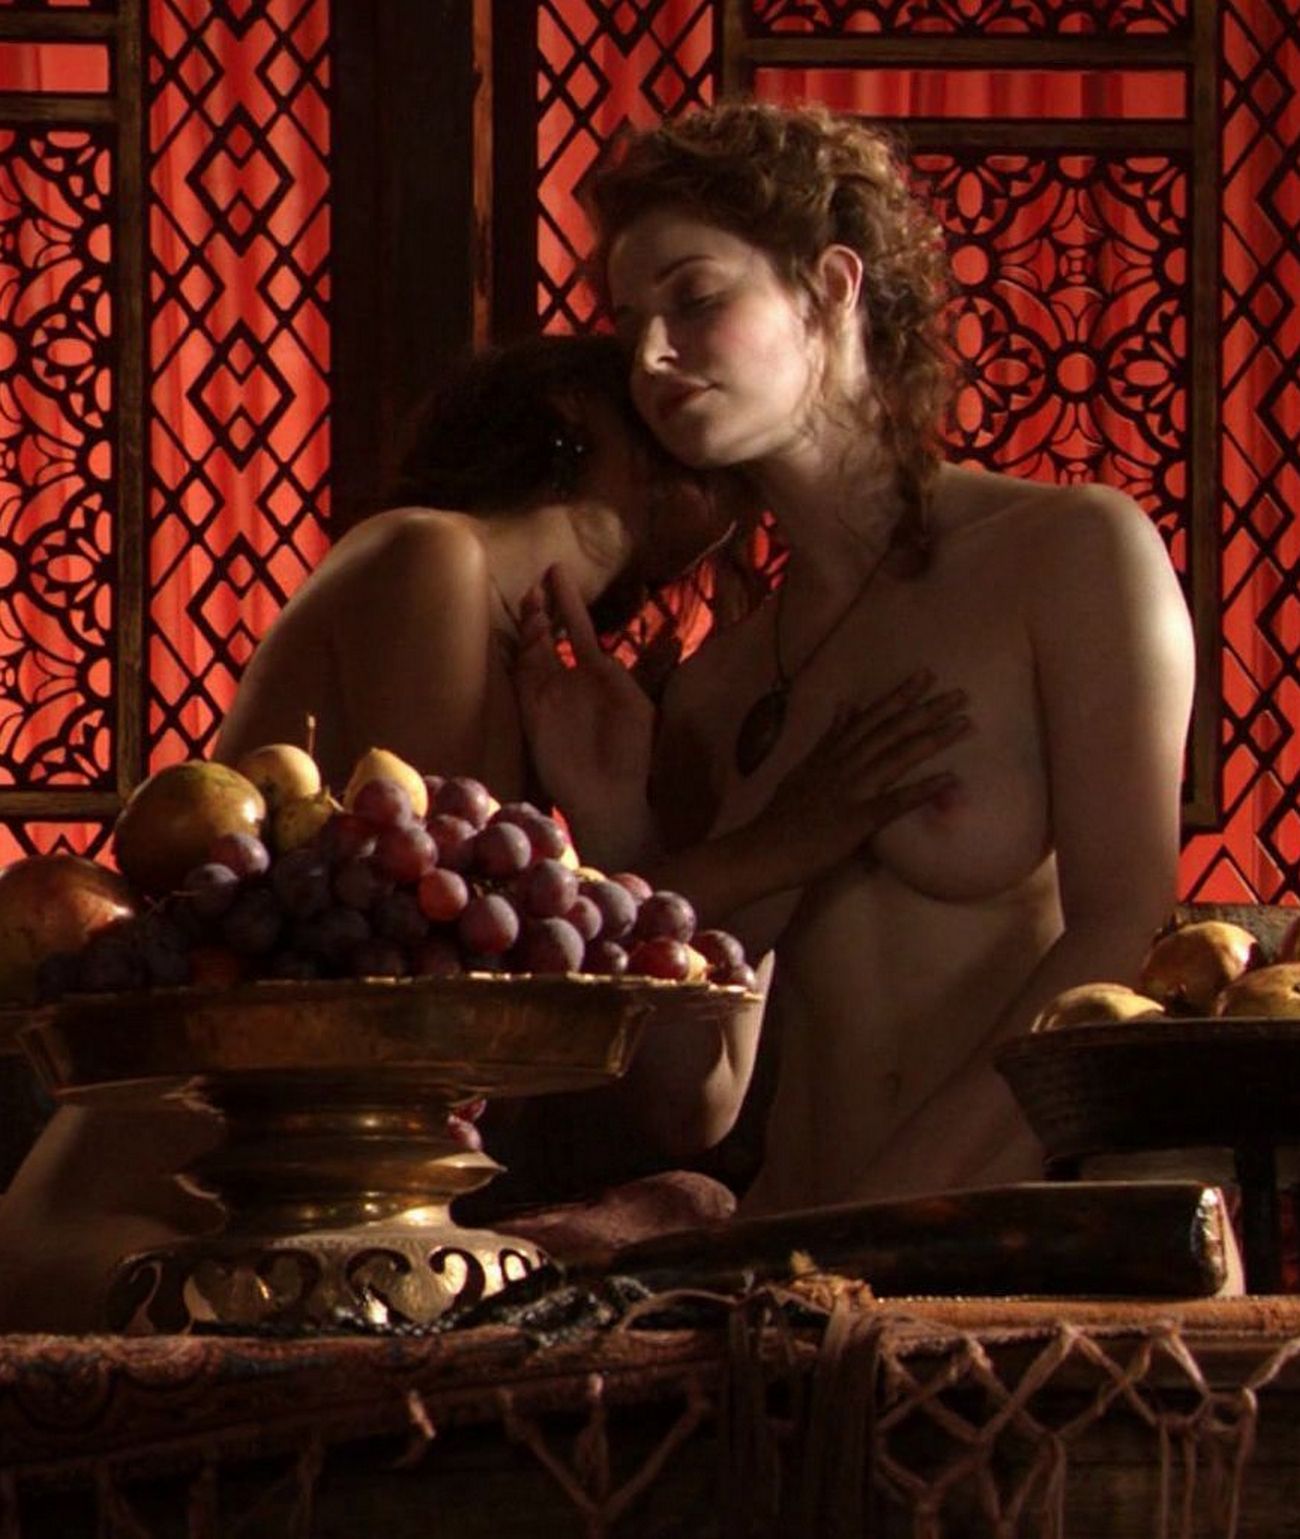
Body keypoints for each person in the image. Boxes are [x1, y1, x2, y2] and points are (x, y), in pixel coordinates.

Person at [0, 331, 963, 1329]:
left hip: (321, 1253)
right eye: (647, 402)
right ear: (568, 414)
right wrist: (785, 842)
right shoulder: (428, 552)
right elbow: (445, 953)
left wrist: (624, 818)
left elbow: (696, 1111)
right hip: (131, 1244)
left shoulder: (585, 699)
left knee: (685, 1214)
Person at [516, 101, 1196, 1214]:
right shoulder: (720, 682)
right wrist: (619, 827)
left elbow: (1126, 933)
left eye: (696, 298)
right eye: (629, 320)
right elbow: (694, 1107)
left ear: (831, 286)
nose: (649, 355)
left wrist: (887, 1222)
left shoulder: (1067, 554)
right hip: (799, 1259)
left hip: (1014, 1250)